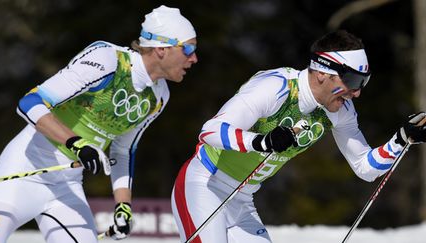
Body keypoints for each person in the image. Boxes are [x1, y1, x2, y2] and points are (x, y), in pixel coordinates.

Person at [171, 30, 426, 243]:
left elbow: (365, 168)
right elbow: (210, 131)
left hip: (242, 198)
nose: (356, 92)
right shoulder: (275, 87)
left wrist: (401, 140)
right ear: (322, 71)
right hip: (205, 185)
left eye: (363, 82)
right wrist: (261, 141)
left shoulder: (341, 110)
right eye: (352, 80)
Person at [0, 5, 198, 243]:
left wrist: (123, 206)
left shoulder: (159, 97)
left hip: (66, 186)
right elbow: (30, 103)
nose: (194, 58)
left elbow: (123, 150)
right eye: (188, 48)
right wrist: (76, 143)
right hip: (23, 171)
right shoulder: (107, 60)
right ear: (162, 48)